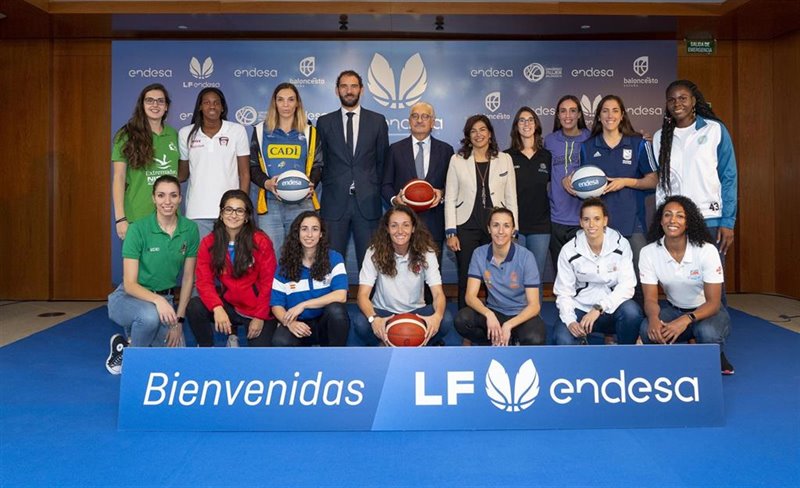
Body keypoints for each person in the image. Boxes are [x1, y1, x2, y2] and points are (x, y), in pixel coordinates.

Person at [105, 175, 199, 374]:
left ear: (180, 199)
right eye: (161, 195)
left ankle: (127, 343)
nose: (167, 201)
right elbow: (130, 284)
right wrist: (158, 301)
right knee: (149, 317)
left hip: (164, 299)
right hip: (129, 297)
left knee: (177, 360)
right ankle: (134, 364)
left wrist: (179, 321)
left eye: (173, 195)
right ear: (153, 198)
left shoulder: (190, 229)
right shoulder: (137, 229)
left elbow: (188, 277)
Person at [639, 195, 733, 375]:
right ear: (661, 221)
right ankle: (686, 349)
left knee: (707, 332)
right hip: (674, 309)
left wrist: (685, 320)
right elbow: (650, 299)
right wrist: (652, 319)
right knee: (646, 330)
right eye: (667, 215)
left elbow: (713, 303)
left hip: (706, 312)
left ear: (688, 223)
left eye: (680, 216)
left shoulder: (706, 250)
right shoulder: (648, 253)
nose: (672, 220)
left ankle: (714, 352)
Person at [653, 79, 738, 257]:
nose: (677, 103)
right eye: (672, 100)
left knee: (711, 282)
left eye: (683, 98)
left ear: (694, 101)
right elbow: (660, 182)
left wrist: (728, 221)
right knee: (677, 282)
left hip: (709, 219)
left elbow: (728, 177)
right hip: (673, 223)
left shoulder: (714, 130)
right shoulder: (659, 138)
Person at [351, 205, 457, 347]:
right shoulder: (374, 252)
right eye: (394, 226)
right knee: (361, 323)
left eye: (405, 225)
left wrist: (437, 317)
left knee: (446, 320)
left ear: (413, 228)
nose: (400, 231)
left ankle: (419, 340)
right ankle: (383, 342)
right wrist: (374, 318)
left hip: (416, 312)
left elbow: (438, 293)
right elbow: (362, 295)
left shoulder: (426, 252)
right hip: (384, 312)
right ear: (387, 229)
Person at [315, 70, 389, 270]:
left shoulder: (377, 121)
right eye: (344, 86)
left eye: (354, 86)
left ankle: (371, 301)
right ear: (336, 91)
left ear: (362, 90)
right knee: (330, 260)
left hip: (368, 203)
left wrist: (373, 188)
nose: (349, 91)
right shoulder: (324, 122)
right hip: (334, 203)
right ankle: (333, 301)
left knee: (371, 262)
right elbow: (320, 161)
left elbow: (382, 162)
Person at [186, 190, 277, 348]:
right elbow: (203, 282)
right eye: (228, 209)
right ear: (221, 213)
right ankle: (207, 349)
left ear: (247, 216)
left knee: (259, 359)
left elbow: (268, 282)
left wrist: (260, 316)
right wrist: (217, 307)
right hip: (230, 305)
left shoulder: (260, 241)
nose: (233, 215)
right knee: (195, 306)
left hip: (256, 309)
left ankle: (237, 336)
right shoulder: (209, 243)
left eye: (239, 211)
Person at [445, 115, 518, 309]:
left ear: (490, 133)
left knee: (495, 277)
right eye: (473, 131)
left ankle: (498, 319)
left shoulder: (504, 159)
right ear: (468, 136)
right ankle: (466, 324)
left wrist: (513, 229)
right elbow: (450, 197)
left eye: (482, 129)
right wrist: (451, 231)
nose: (478, 134)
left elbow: (511, 198)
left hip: (497, 229)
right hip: (466, 226)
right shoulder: (457, 160)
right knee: (467, 276)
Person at [578, 94, 657, 265]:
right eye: (605, 111)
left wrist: (625, 182)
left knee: (640, 273)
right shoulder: (587, 147)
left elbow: (653, 180)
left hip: (633, 221)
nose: (610, 115)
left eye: (615, 111)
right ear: (598, 116)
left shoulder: (640, 144)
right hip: (600, 225)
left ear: (622, 115)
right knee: (605, 276)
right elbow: (583, 188)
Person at [552, 198, 643, 345]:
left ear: (605, 221)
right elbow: (564, 292)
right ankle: (581, 351)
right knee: (562, 338)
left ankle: (626, 356)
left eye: (597, 219)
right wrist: (570, 321)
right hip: (580, 310)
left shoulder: (621, 245)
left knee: (632, 313)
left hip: (610, 309)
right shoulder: (568, 250)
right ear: (581, 223)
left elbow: (627, 286)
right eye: (586, 219)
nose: (591, 224)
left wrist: (599, 308)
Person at [454, 208, 546, 346]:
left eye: (506, 226)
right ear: (489, 229)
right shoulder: (479, 254)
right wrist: (488, 314)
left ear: (513, 230)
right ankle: (492, 339)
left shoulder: (526, 257)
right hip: (495, 312)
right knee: (462, 320)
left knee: (535, 338)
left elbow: (534, 306)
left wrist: (509, 325)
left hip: (520, 315)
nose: (501, 231)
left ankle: (511, 337)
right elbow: (470, 296)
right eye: (496, 225)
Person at [250, 82, 322, 256]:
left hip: (302, 202)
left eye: (291, 100)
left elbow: (318, 164)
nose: (286, 105)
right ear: (274, 103)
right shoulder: (261, 131)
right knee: (271, 255)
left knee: (302, 253)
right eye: (281, 100)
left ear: (297, 103)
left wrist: (311, 183)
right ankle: (275, 285)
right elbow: (252, 166)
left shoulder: (309, 131)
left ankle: (300, 284)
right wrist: (266, 183)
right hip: (270, 203)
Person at [381, 101, 454, 257]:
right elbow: (385, 184)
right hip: (402, 220)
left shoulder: (446, 150)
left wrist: (442, 193)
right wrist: (395, 200)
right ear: (409, 121)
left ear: (433, 122)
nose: (419, 120)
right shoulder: (395, 149)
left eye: (425, 116)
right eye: (415, 116)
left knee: (433, 269)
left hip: (434, 219)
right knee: (402, 270)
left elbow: (453, 185)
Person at [178, 88, 250, 238]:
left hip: (230, 212)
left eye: (216, 103)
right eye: (207, 103)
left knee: (230, 260)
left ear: (222, 107)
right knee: (201, 260)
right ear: (200, 106)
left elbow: (244, 174)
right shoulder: (186, 133)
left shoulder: (236, 130)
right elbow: (183, 174)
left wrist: (242, 208)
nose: (212, 106)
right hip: (197, 212)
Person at [271, 211, 350, 346]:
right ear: (297, 233)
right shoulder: (284, 266)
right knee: (280, 341)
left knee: (337, 312)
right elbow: (276, 305)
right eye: (304, 229)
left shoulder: (334, 258)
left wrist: (304, 305)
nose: (309, 235)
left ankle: (334, 358)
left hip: (324, 324)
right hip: (299, 324)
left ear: (321, 234)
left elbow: (341, 295)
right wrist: (289, 323)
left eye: (315, 229)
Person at [112, 83, 179, 240]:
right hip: (136, 216)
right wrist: (120, 218)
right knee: (136, 265)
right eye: (149, 100)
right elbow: (119, 177)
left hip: (170, 218)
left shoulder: (174, 135)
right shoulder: (126, 135)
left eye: (160, 101)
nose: (155, 105)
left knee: (168, 265)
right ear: (142, 105)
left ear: (167, 106)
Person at [505, 107, 552, 293]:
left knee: (535, 278)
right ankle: (515, 319)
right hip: (516, 226)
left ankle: (535, 320)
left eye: (530, 120)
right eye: (522, 120)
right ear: (516, 126)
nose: (526, 124)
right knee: (515, 277)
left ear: (537, 125)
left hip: (541, 226)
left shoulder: (546, 156)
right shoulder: (507, 156)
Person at [546, 95, 591, 270]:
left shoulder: (591, 138)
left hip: (583, 219)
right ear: (557, 115)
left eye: (573, 111)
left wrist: (640, 139)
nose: (568, 115)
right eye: (563, 111)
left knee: (583, 272)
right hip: (555, 218)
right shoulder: (549, 140)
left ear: (579, 114)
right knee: (561, 272)